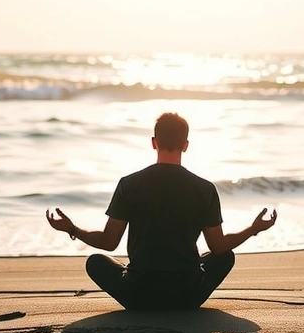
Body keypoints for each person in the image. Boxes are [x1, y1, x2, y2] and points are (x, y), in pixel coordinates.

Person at [46, 112, 277, 310]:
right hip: (187, 296)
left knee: (96, 262)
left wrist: (72, 228)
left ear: (154, 142)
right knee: (225, 256)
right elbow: (218, 246)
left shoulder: (129, 184)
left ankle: (139, 273)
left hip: (138, 296)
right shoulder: (204, 188)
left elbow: (109, 242)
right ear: (185, 145)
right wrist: (253, 229)